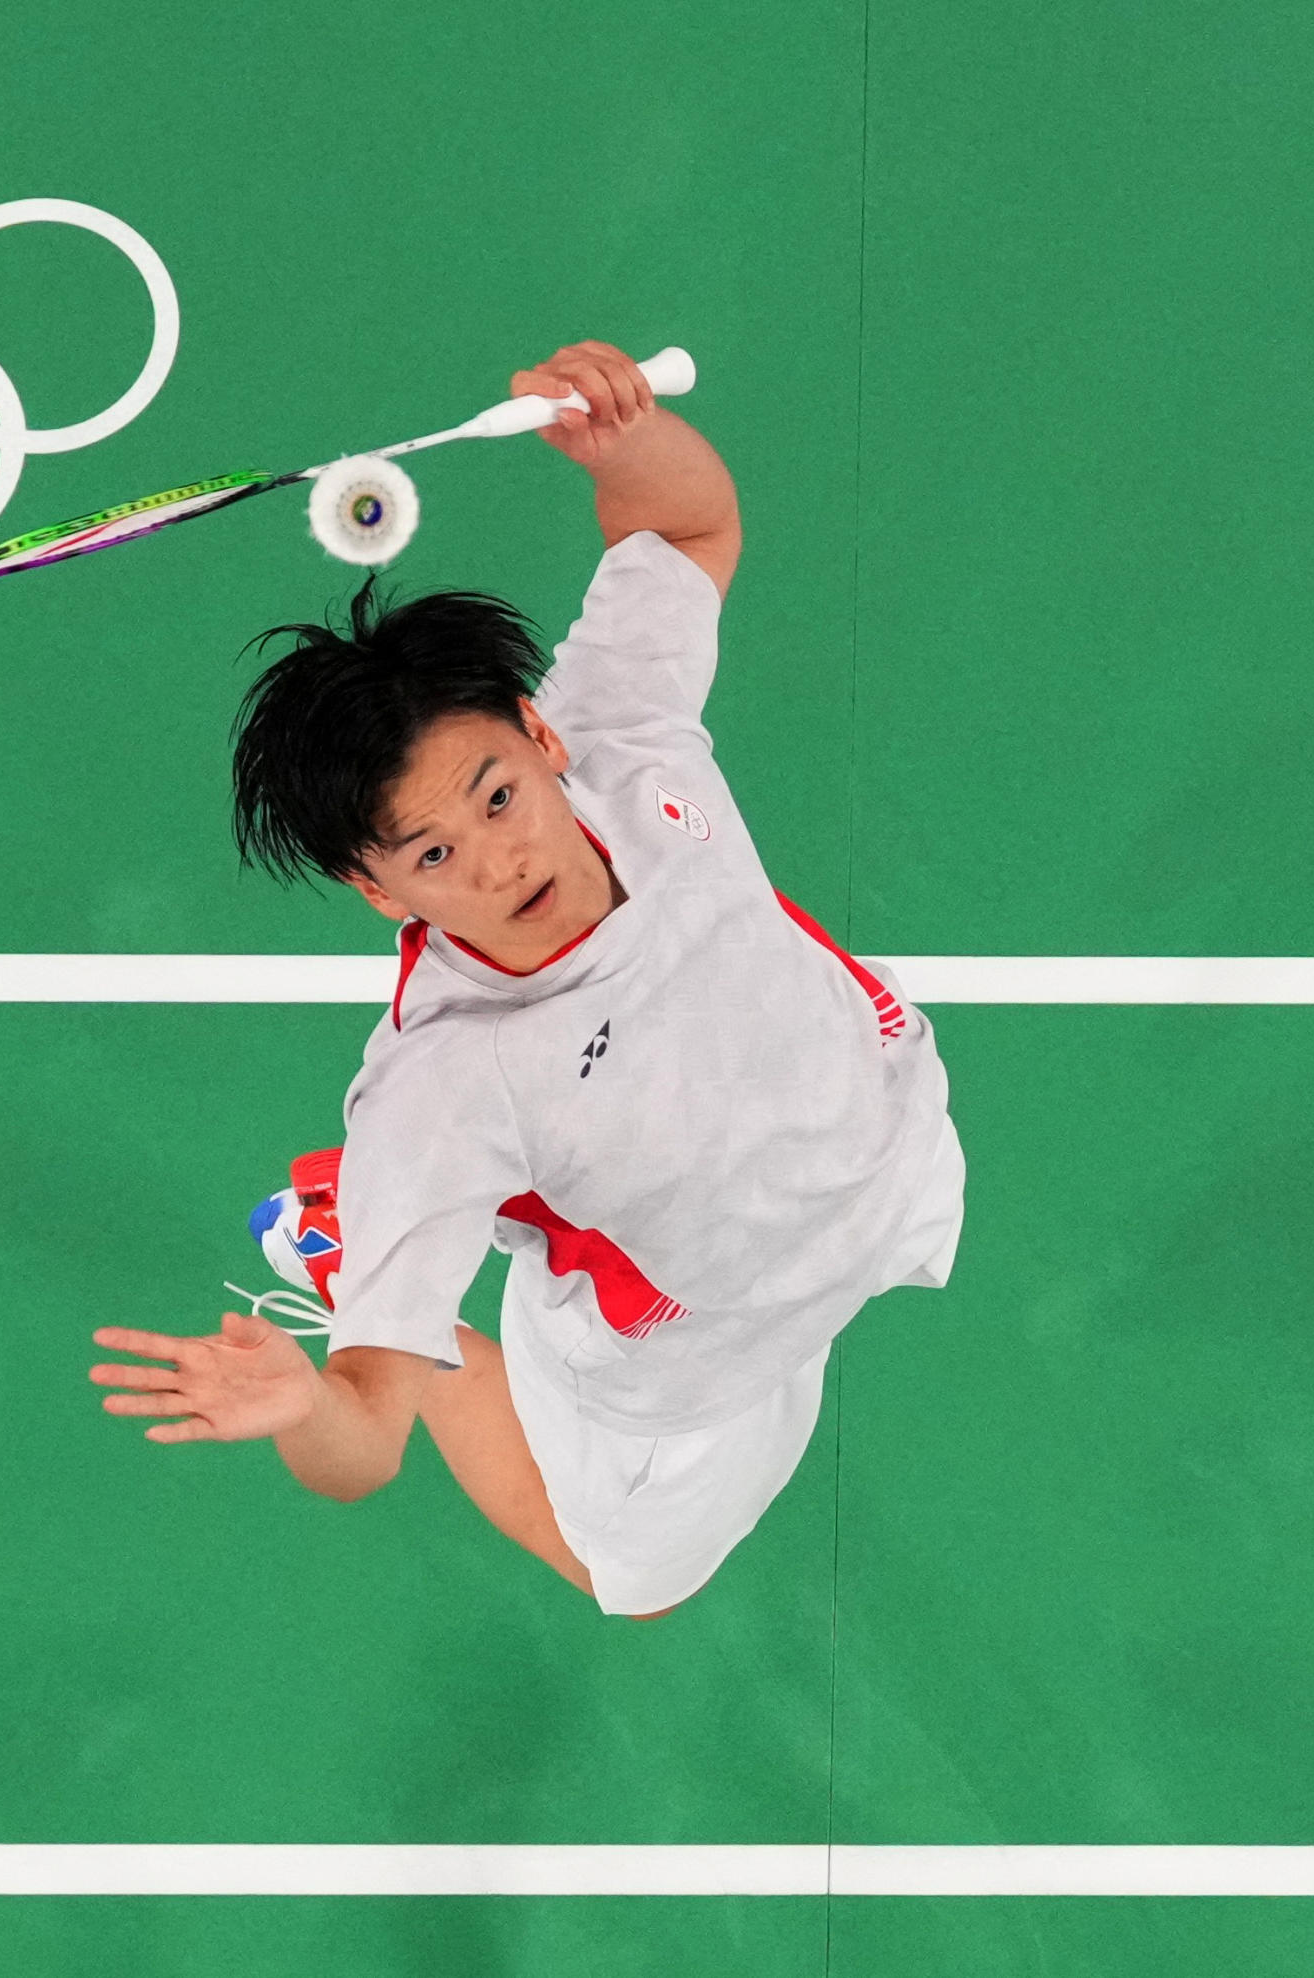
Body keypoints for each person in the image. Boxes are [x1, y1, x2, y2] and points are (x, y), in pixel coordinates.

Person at [88, 342, 964, 1616]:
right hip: (688, 1357)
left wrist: (622, 439)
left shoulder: (622, 729)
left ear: (543, 735)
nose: (498, 860)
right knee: (629, 1579)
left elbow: (688, 518)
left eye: (500, 795)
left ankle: (391, 1245)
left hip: (878, 1154)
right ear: (380, 891)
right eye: (435, 852)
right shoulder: (447, 1089)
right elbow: (364, 1442)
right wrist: (304, 1409)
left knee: (844, 1269)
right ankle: (362, 1249)